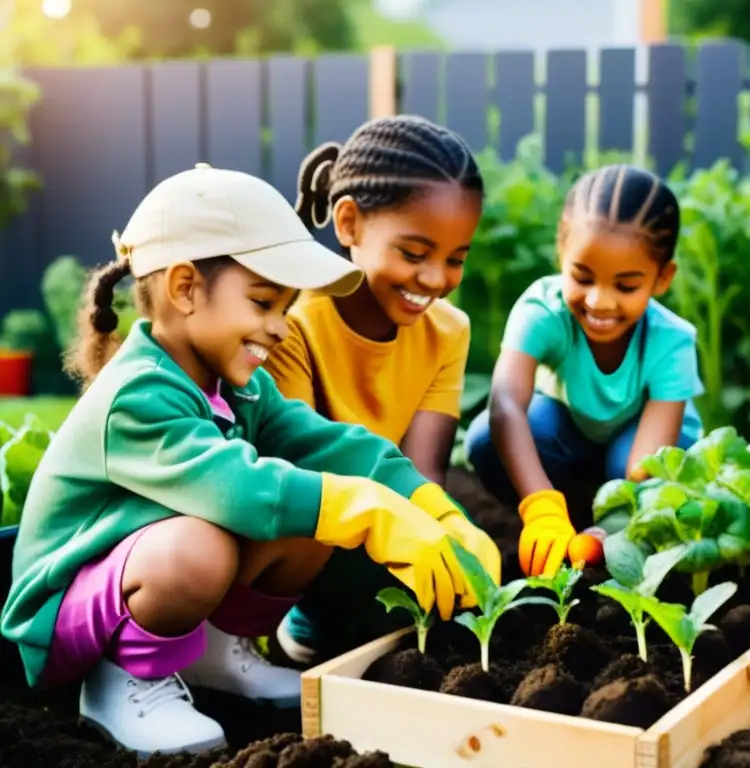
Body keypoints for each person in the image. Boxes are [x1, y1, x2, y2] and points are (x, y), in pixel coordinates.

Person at [0, 164, 499, 756]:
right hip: (59, 613)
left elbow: (329, 444)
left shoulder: (235, 385)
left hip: (135, 572)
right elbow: (238, 489)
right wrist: (365, 511)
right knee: (204, 546)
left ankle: (210, 655)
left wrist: (430, 505)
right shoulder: (134, 397)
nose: (281, 328)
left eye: (287, 307)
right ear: (186, 288)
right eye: (264, 302)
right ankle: (125, 682)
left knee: (313, 516)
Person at [263, 116, 483, 666]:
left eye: (455, 258)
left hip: (392, 522)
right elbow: (297, 466)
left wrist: (453, 533)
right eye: (413, 253)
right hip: (308, 525)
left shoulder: (447, 332)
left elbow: (425, 475)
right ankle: (305, 632)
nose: (435, 279)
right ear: (349, 222)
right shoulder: (292, 322)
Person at [465, 164, 705, 578]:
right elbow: (506, 402)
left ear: (662, 278)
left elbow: (644, 466)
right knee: (486, 438)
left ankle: (611, 525)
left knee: (625, 465)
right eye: (582, 276)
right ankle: (561, 516)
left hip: (644, 448)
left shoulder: (672, 341)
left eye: (626, 286)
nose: (599, 301)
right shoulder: (544, 310)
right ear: (562, 251)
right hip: (571, 432)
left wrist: (612, 530)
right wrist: (540, 505)